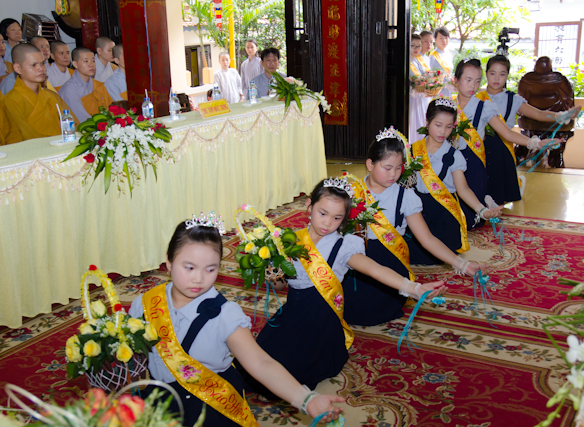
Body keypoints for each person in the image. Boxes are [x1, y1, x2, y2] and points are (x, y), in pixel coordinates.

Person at [128, 214, 344, 427]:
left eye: (210, 269)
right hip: (161, 399)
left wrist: (306, 399)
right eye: (189, 267)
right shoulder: (146, 304)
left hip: (210, 403)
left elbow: (261, 363)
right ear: (168, 261)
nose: (199, 279)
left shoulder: (225, 315)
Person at [239, 178, 447, 395]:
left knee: (290, 375)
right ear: (309, 206)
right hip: (293, 315)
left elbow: (375, 269)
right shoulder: (290, 241)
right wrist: (272, 274)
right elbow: (282, 286)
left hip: (321, 323)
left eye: (337, 218)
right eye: (322, 213)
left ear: (344, 218)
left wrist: (414, 288)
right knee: (255, 365)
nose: (328, 223)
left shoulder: (343, 246)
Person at [342, 130, 483, 326]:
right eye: (387, 167)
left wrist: (462, 265)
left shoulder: (405, 196)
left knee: (373, 312)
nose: (393, 174)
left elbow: (427, 239)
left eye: (398, 168)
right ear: (370, 164)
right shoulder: (350, 192)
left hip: (390, 261)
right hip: (357, 261)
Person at [452, 59, 557, 229]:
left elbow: (507, 133)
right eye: (468, 80)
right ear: (456, 80)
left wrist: (536, 143)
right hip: (450, 163)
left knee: (471, 221)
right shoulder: (447, 105)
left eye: (477, 81)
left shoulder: (484, 107)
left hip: (473, 164)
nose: (473, 86)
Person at [409, 98, 501, 262]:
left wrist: (482, 210)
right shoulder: (413, 150)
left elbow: (463, 189)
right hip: (418, 211)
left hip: (443, 213)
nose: (442, 131)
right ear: (427, 122)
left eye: (448, 127)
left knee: (437, 255)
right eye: (438, 125)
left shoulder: (454, 156)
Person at [481, 55, 581, 204]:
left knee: (499, 196)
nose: (497, 78)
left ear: (507, 75)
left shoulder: (513, 99)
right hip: (479, 149)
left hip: (503, 149)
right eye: (492, 73)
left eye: (502, 74)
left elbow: (538, 114)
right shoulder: (477, 97)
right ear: (486, 73)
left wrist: (561, 116)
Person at [1, 44, 76, 140]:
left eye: (42, 63)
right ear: (18, 68)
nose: (41, 68)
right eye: (33, 65)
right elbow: (16, 137)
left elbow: (71, 124)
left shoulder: (50, 95)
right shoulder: (11, 100)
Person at [516, 56, 578, 168]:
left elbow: (523, 99)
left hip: (534, 119)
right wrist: (565, 112)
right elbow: (568, 98)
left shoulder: (526, 79)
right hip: (545, 117)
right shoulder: (559, 79)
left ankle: (522, 156)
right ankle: (555, 158)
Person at [59, 47, 113, 122]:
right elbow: (81, 118)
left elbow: (109, 108)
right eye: (86, 61)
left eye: (93, 61)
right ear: (75, 64)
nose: (91, 65)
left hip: (102, 124)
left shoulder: (98, 85)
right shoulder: (69, 89)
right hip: (83, 127)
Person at [408, 34, 431, 145]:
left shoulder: (418, 62)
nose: (416, 49)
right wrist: (415, 90)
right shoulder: (406, 62)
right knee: (412, 126)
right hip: (411, 100)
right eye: (413, 45)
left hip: (420, 99)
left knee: (421, 124)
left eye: (418, 46)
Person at [429, 27, 454, 97]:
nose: (444, 41)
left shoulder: (449, 55)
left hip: (449, 92)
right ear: (435, 39)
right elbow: (430, 77)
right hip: (438, 93)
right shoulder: (432, 57)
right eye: (441, 38)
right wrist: (445, 85)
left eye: (446, 38)